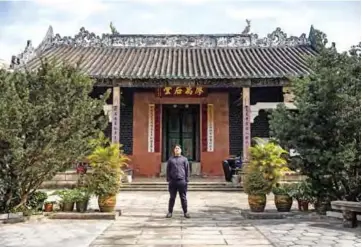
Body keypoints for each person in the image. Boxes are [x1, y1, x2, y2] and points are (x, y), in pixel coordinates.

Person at [165, 144, 190, 218]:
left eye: (178, 148)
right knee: (172, 197)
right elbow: (168, 170)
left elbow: (187, 170)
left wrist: (187, 180)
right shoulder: (170, 159)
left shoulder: (184, 159)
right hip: (173, 181)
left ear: (181, 150)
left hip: (182, 181)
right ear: (174, 150)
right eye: (176, 148)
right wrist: (168, 179)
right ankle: (170, 212)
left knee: (183, 197)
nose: (177, 149)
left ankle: (186, 212)